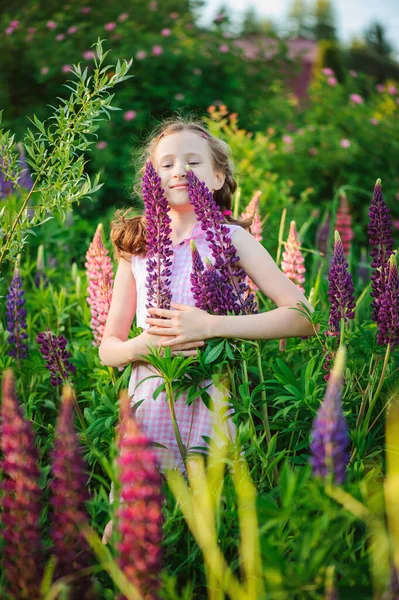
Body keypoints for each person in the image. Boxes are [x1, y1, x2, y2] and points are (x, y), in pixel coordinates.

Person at [99, 116, 316, 543]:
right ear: (151, 178)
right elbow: (108, 347)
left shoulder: (232, 239)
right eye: (166, 164)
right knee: (131, 529)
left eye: (193, 161)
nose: (179, 169)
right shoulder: (135, 246)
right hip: (150, 402)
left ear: (217, 178)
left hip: (212, 395)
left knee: (210, 528)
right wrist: (141, 346)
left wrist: (213, 324)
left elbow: (304, 316)